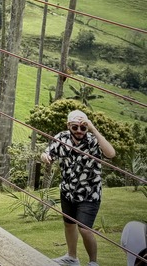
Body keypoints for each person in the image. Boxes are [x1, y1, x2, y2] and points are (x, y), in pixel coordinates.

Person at [42, 109, 116, 266]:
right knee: (69, 225)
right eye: (75, 127)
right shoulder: (61, 138)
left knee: (85, 229)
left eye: (83, 127)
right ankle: (72, 257)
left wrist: (94, 129)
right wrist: (45, 157)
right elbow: (47, 152)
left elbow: (111, 154)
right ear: (69, 125)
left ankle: (93, 263)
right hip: (68, 191)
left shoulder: (93, 140)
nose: (79, 131)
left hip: (89, 194)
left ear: (87, 127)